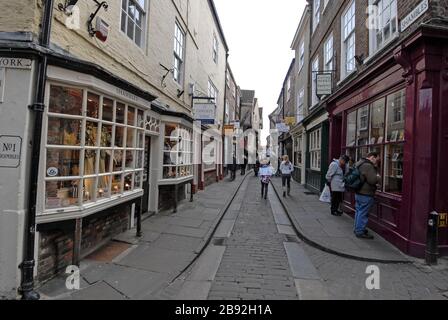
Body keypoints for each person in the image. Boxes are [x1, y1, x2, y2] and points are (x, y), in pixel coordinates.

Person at [354, 152, 381, 239]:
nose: (377, 161)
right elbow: (372, 180)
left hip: (358, 192)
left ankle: (357, 228)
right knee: (363, 213)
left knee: (359, 211)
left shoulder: (359, 163)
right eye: (377, 159)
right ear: (372, 157)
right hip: (366, 193)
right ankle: (360, 231)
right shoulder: (368, 166)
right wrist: (378, 177)